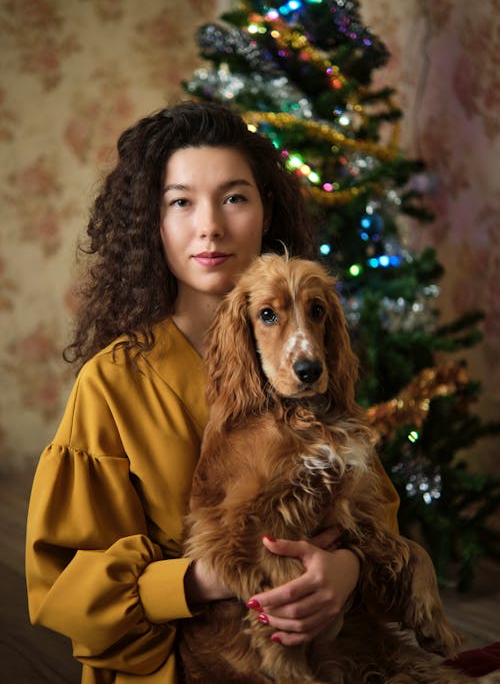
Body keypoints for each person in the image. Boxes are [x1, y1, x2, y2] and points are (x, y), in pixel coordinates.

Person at [25, 100, 400, 684]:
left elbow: (377, 518)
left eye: (234, 197)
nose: (211, 226)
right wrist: (208, 578)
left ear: (266, 209)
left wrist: (347, 571)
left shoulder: (309, 360)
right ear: (152, 221)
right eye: (181, 201)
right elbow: (63, 587)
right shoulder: (112, 384)